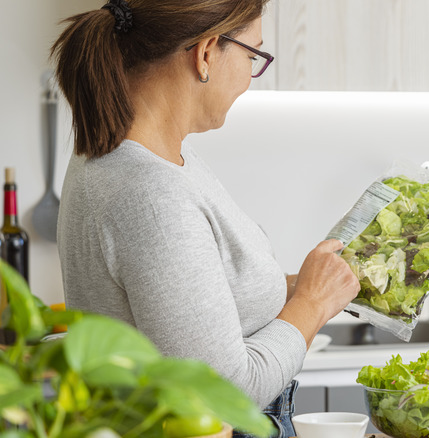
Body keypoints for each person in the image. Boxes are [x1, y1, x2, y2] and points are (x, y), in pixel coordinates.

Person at [51, 1, 360, 437]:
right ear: (207, 52)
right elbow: (227, 392)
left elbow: (198, 298)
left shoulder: (157, 158)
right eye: (253, 55)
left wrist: (308, 283)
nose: (251, 77)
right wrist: (311, 305)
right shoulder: (149, 194)